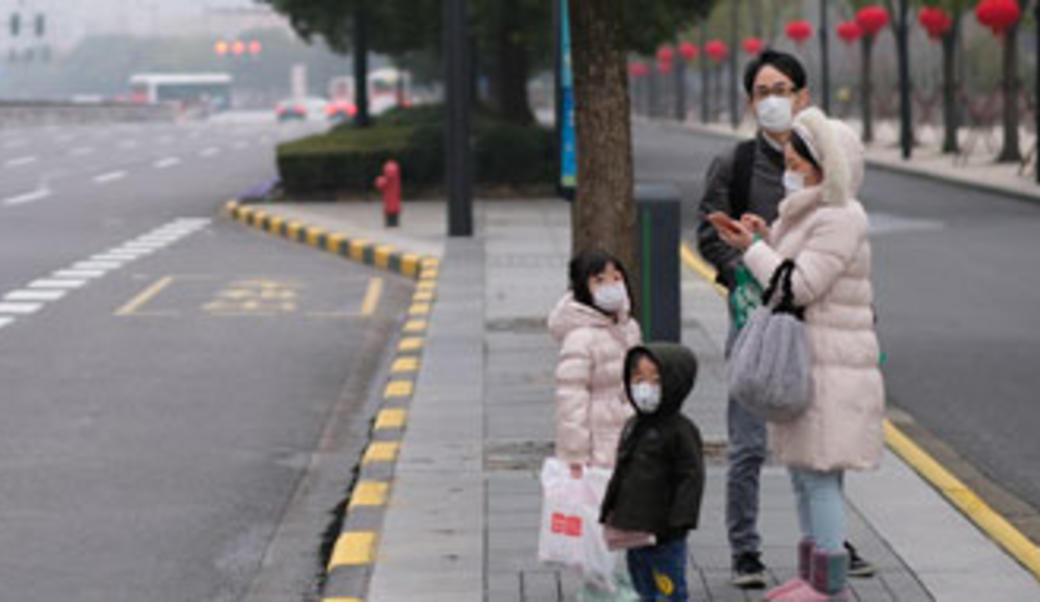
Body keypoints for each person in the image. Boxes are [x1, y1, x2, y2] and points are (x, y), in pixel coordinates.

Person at [696, 49, 874, 588]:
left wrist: (759, 251)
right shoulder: (738, 164)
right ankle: (749, 552)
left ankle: (826, 563)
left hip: (815, 338)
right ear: (750, 102)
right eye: (761, 92)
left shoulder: (833, 192)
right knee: (754, 444)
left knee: (814, 461)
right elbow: (712, 236)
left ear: (804, 96)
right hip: (761, 325)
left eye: (782, 90)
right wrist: (747, 258)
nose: (772, 101)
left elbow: (806, 278)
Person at [549, 250, 643, 599]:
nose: (610, 286)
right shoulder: (581, 337)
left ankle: (614, 579)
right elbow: (570, 397)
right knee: (598, 515)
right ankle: (597, 586)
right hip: (597, 438)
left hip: (626, 432)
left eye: (616, 278)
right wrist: (575, 452)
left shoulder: (628, 327)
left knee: (621, 514)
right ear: (583, 288)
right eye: (599, 279)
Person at [599, 343, 704, 602]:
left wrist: (680, 522)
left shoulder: (680, 430)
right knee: (642, 585)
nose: (645, 387)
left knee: (668, 587)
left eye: (655, 380)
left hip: (665, 531)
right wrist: (611, 509)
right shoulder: (634, 425)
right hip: (636, 529)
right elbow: (622, 471)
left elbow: (691, 477)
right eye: (639, 379)